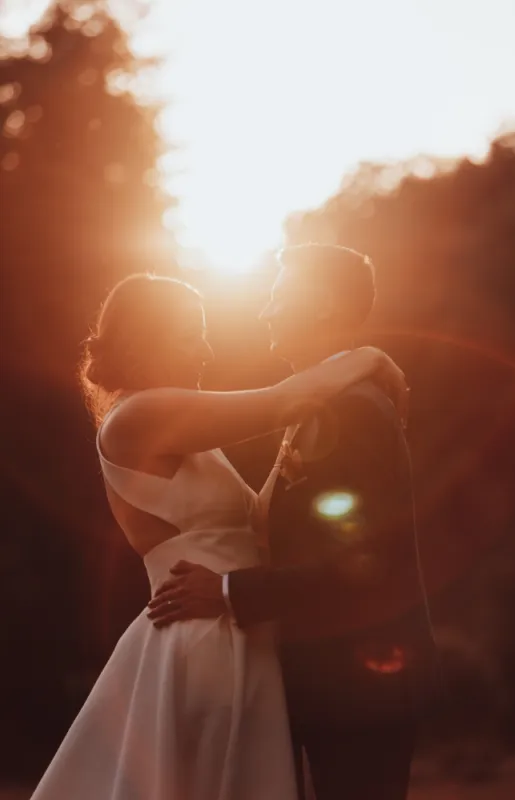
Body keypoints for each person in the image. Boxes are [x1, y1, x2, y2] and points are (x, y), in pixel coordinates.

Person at [29, 271, 408, 800]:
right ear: (146, 339)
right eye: (191, 334)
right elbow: (282, 402)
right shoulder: (141, 415)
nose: (206, 351)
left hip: (239, 626)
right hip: (206, 639)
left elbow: (255, 516)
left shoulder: (181, 426)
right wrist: (368, 357)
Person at [148, 244, 437, 800]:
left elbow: (360, 565)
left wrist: (227, 590)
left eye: (279, 296)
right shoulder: (326, 402)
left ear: (324, 304)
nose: (266, 312)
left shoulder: (354, 410)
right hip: (325, 680)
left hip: (362, 686)